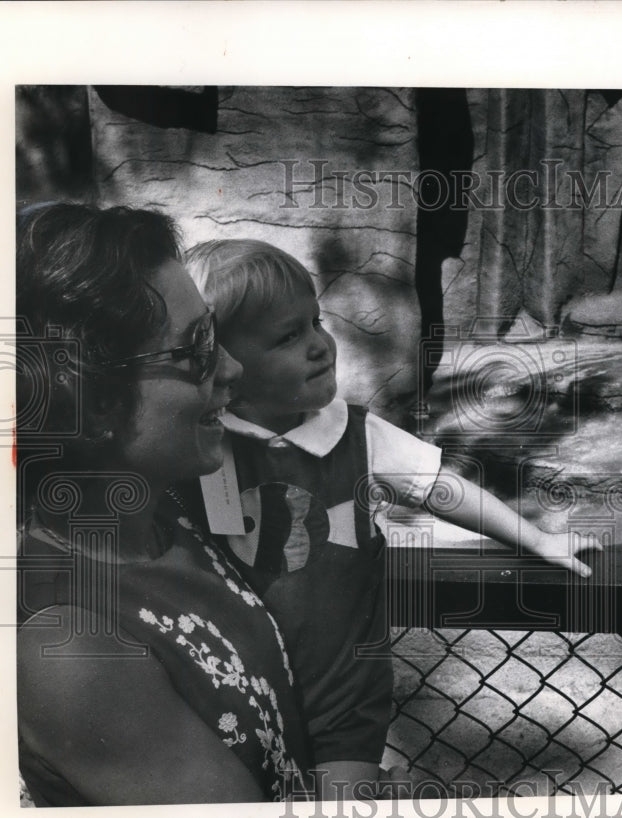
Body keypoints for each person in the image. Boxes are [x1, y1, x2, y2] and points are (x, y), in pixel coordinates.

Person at [186, 239, 595, 799]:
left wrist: (536, 538)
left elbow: (440, 487)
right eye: (288, 337)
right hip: (232, 692)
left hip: (344, 695)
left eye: (315, 322)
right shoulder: (197, 447)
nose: (319, 346)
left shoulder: (356, 434)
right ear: (223, 362)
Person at [15, 204, 309, 805]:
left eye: (214, 332)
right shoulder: (71, 649)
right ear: (92, 403)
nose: (231, 368)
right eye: (196, 347)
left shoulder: (169, 510)